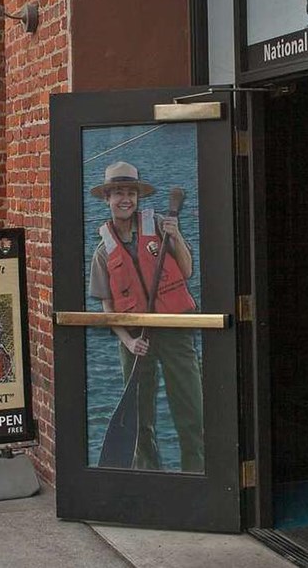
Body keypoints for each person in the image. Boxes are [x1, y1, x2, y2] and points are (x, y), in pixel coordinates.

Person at [88, 161, 204, 472]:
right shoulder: (102, 252)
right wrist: (127, 341)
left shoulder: (161, 231)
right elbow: (108, 308)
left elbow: (188, 271)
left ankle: (195, 474)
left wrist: (176, 235)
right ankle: (150, 476)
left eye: (130, 193)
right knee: (141, 419)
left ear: (138, 198)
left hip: (175, 331)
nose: (124, 199)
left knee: (191, 411)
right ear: (107, 199)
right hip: (136, 340)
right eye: (117, 194)